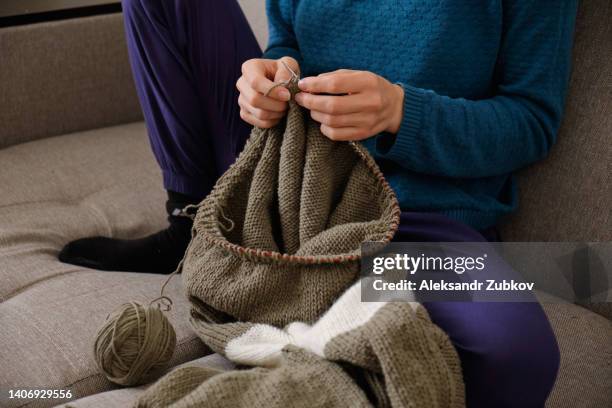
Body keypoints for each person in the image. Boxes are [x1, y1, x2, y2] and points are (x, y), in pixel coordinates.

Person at [59, 0, 578, 406]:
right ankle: (191, 218)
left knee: (519, 356)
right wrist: (266, 78)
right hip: (277, 175)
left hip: (408, 218)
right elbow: (288, 43)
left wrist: (403, 112)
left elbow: (531, 121)